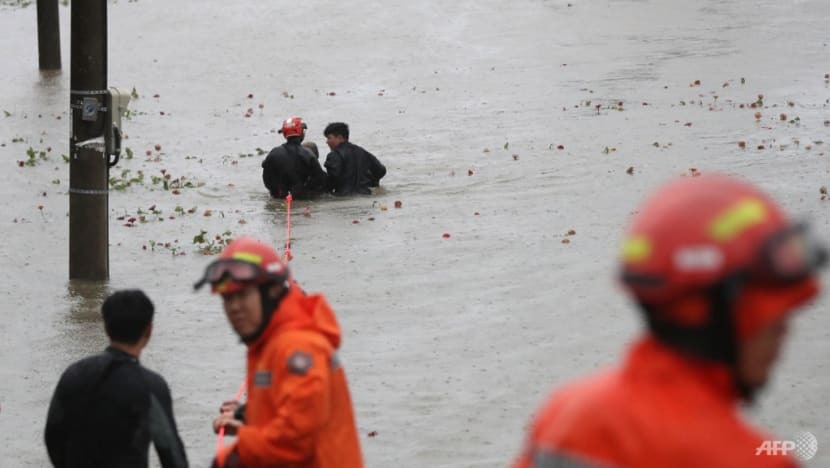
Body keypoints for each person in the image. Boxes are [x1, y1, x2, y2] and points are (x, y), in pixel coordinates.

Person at [513, 174, 826, 468]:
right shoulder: (751, 459)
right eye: (770, 316)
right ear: (715, 315)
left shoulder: (563, 413)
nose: (785, 332)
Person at [194, 236, 363, 468]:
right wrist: (248, 414)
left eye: (242, 296)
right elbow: (290, 408)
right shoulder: (269, 342)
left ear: (271, 292)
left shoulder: (298, 347)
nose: (234, 308)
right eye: (227, 299)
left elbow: (295, 441)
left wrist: (233, 457)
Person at [44, 289, 188, 468]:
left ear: (105, 327)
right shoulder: (151, 386)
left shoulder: (73, 375)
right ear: (149, 331)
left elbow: (53, 436)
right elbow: (171, 454)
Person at [262, 117, 327, 199]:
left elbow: (267, 180)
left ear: (285, 134)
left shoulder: (274, 153)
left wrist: (277, 192)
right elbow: (320, 179)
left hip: (279, 198)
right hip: (302, 199)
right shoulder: (308, 154)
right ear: (301, 132)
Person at [323, 122, 386, 196]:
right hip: (365, 195)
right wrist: (371, 182)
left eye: (329, 138)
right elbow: (381, 170)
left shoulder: (334, 155)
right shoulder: (363, 152)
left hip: (343, 198)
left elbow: (332, 180)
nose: (327, 142)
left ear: (340, 137)